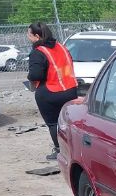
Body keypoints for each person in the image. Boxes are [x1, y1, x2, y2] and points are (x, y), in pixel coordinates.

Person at [26, 22, 78, 160]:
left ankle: (60, 150)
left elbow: (36, 75)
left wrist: (29, 77)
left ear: (37, 36)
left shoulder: (38, 52)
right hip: (70, 89)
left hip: (50, 92)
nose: (27, 37)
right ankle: (75, 148)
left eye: (29, 34)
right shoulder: (61, 47)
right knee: (69, 122)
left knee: (54, 123)